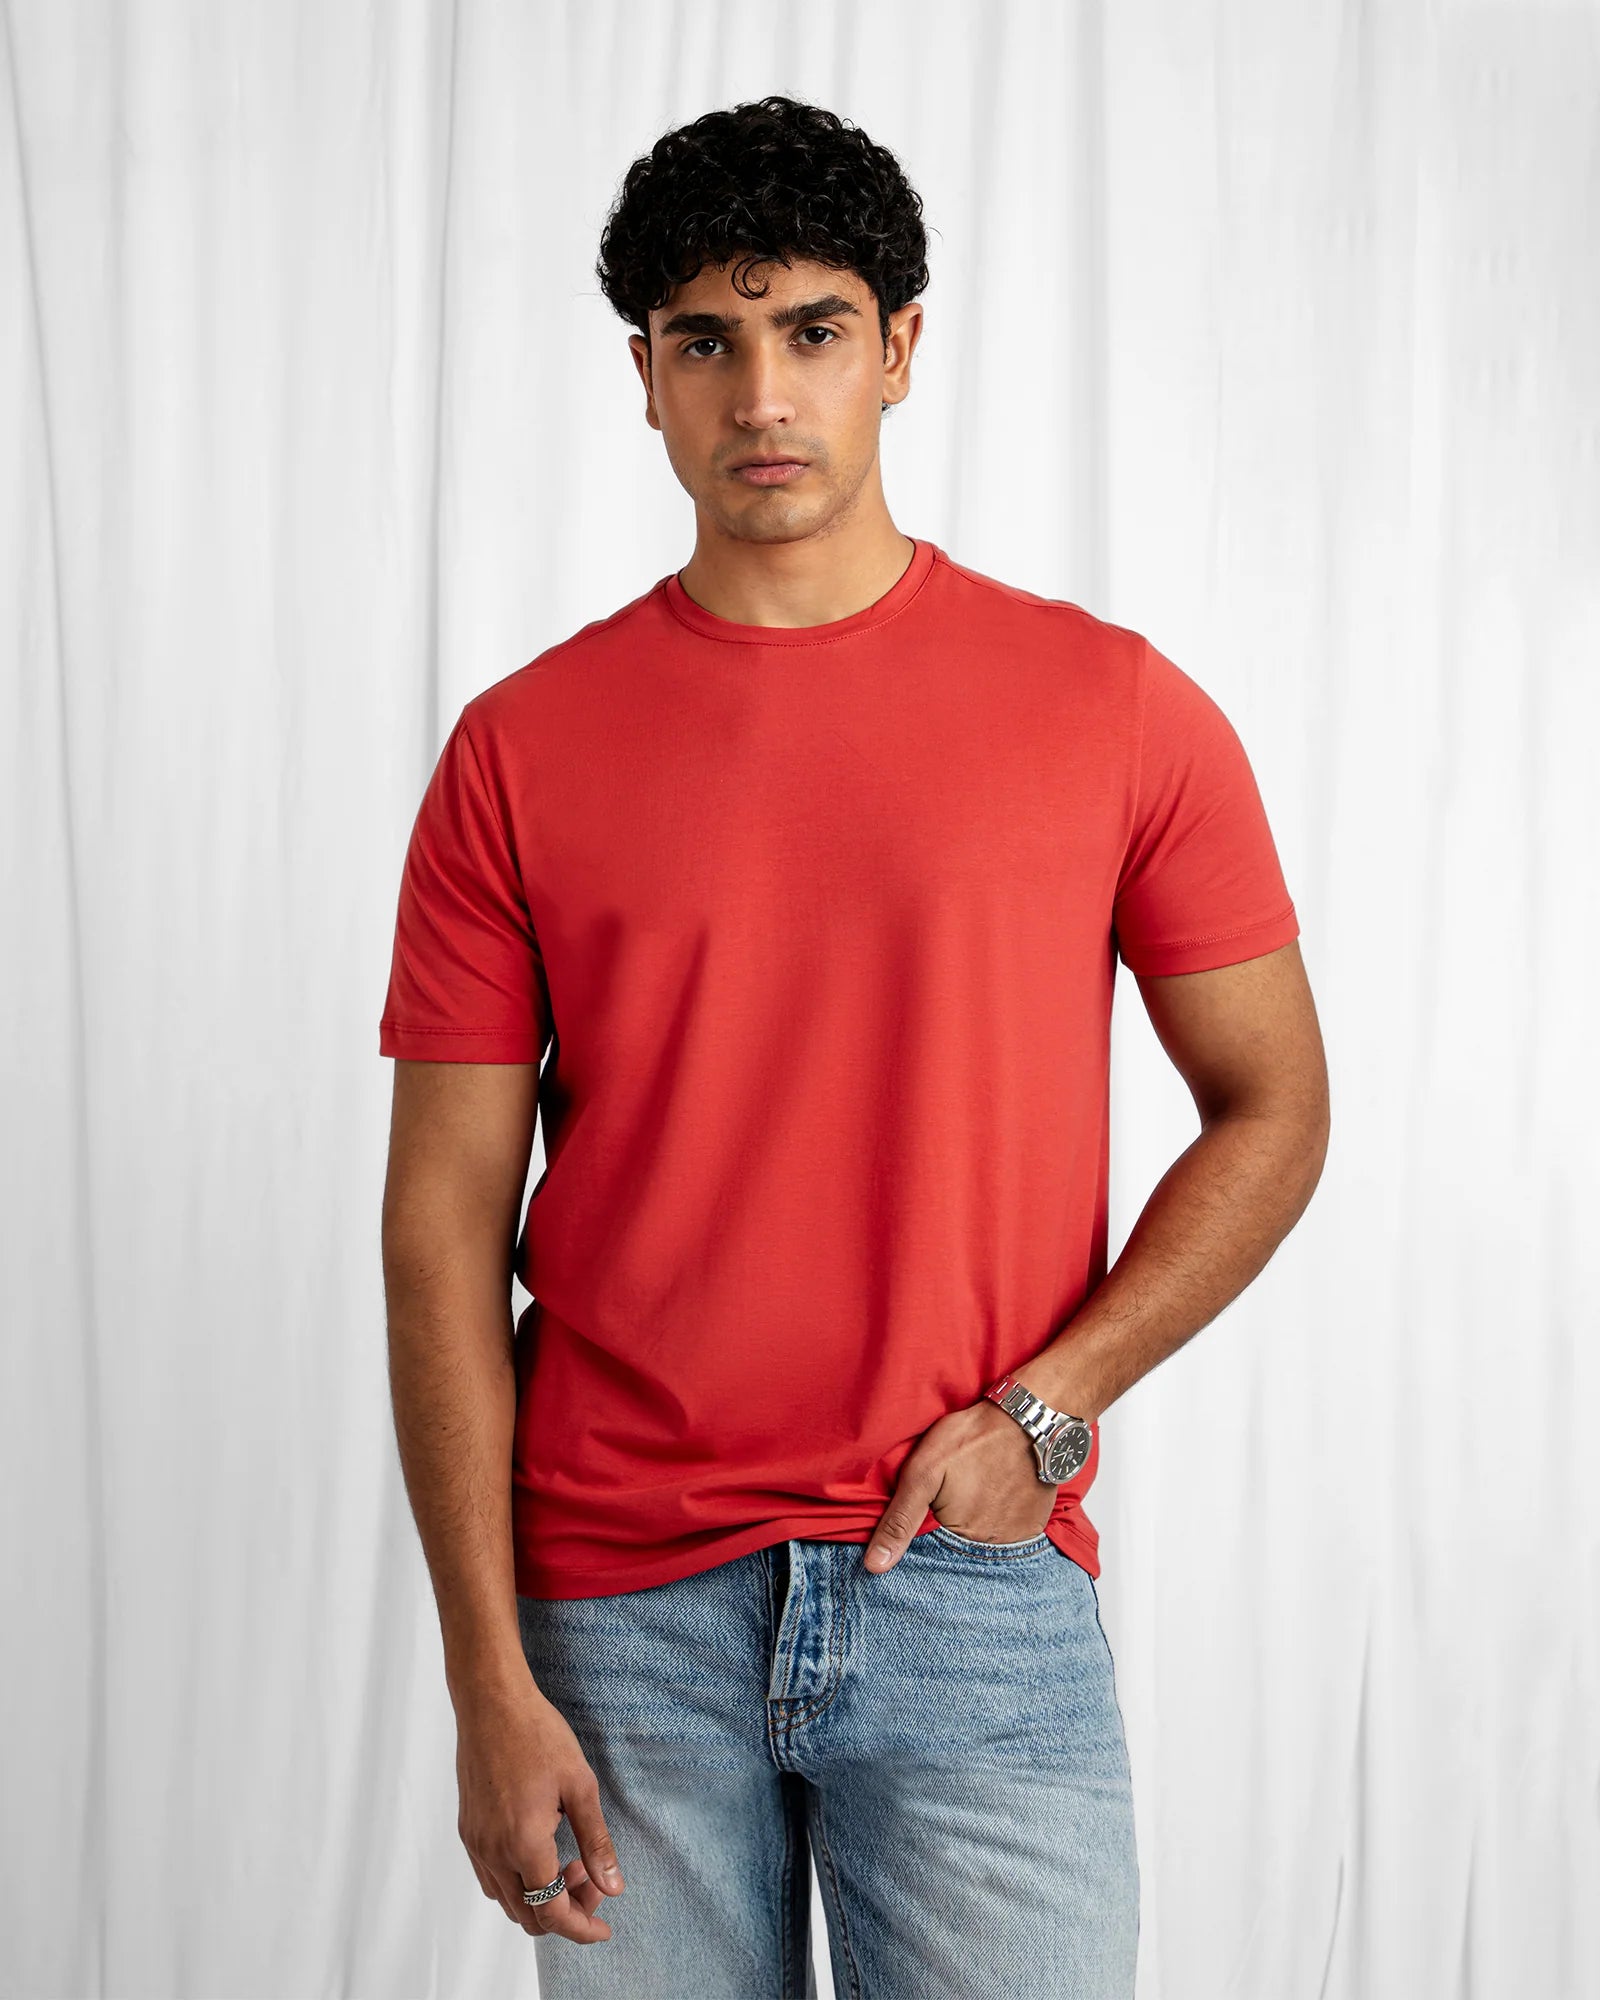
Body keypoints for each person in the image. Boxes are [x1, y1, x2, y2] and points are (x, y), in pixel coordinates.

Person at [378, 92, 1328, 2000]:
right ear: (643, 378)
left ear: (897, 348)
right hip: (620, 1612)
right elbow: (439, 1230)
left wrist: (1051, 1411)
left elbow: (1274, 1107)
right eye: (704, 343)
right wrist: (485, 1673)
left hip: (969, 1572)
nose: (762, 396)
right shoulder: (518, 750)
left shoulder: (1112, 710)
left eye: (812, 329)